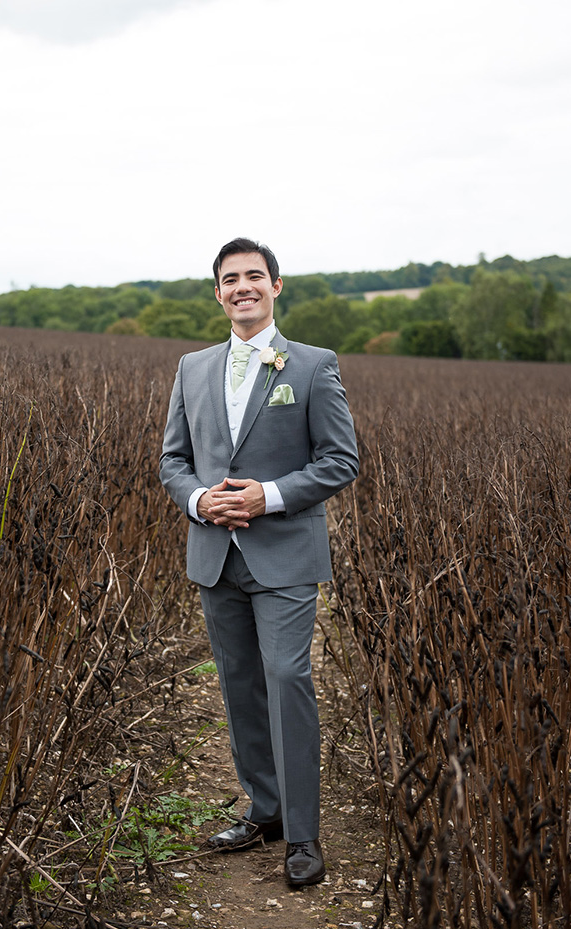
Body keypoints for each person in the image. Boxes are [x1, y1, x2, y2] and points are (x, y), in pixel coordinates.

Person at [159, 237, 359, 886]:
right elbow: (173, 460)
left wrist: (265, 496)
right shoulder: (190, 367)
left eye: (254, 276)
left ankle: (302, 834)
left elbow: (339, 461)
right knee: (239, 685)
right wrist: (198, 500)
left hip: (286, 556)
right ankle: (264, 809)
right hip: (215, 555)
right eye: (229, 279)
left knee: (286, 677)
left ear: (276, 285)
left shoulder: (311, 364)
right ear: (216, 293)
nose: (242, 286)